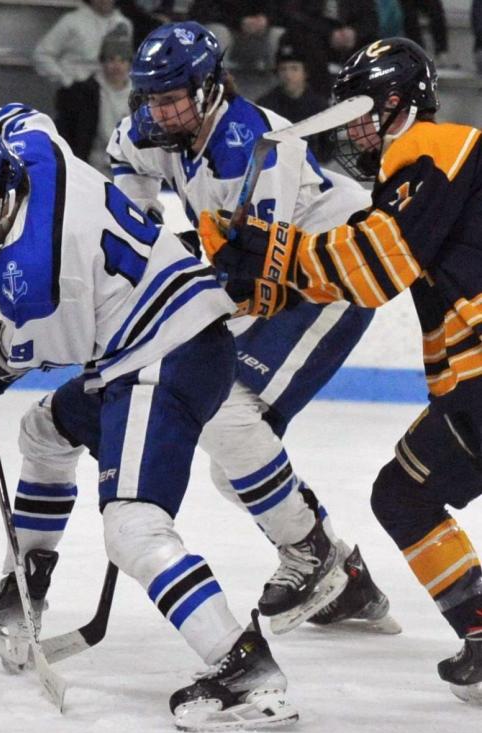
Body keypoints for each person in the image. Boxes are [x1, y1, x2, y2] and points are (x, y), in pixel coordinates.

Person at [0, 104, 299, 731]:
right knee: (45, 431)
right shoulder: (36, 149)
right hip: (165, 341)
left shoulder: (31, 272)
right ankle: (23, 587)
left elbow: (53, 345)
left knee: (133, 530)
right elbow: (17, 113)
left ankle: (245, 667)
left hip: (162, 360)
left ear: (1, 192)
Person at [200, 37, 482, 704]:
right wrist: (262, 263)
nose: (352, 130)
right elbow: (352, 262)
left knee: (405, 491)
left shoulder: (438, 149)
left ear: (393, 101)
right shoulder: (412, 177)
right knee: (402, 493)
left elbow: (374, 265)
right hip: (470, 391)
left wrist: (268, 250)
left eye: (359, 111)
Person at [108, 22, 397, 635]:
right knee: (235, 462)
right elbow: (126, 196)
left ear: (210, 88)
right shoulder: (152, 128)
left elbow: (255, 285)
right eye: (151, 98)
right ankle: (346, 576)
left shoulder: (251, 149)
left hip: (329, 271)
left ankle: (311, 556)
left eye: (172, 97)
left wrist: (171, 304)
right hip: (271, 273)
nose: (158, 112)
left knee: (230, 416)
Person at [53, 28, 133, 169]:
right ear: (102, 62)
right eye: (111, 60)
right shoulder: (81, 93)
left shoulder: (141, 94)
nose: (117, 66)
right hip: (93, 166)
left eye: (122, 60)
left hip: (131, 167)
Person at [33, 0, 133, 95]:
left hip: (110, 96)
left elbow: (124, 62)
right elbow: (42, 54)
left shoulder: (123, 24)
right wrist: (66, 81)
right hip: (75, 93)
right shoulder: (71, 21)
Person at [258, 38, 331, 159]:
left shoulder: (319, 106)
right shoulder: (266, 104)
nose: (288, 75)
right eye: (283, 69)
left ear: (305, 73)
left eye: (294, 69)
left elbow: (327, 146)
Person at [188, 0, 281, 70]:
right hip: (227, 36)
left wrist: (266, 20)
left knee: (277, 34)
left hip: (255, 38)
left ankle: (278, 81)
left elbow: (281, 13)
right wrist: (239, 23)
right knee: (219, 31)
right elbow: (200, 13)